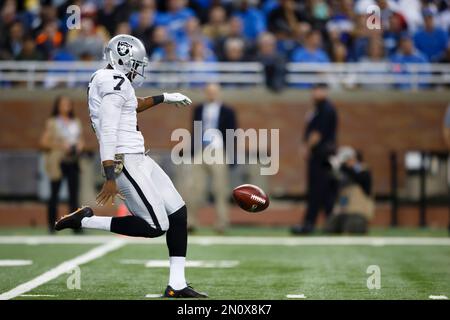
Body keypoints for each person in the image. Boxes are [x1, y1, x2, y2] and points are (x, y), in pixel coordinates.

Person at [54, 34, 207, 298]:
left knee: (178, 214)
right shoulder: (111, 80)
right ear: (121, 58)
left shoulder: (114, 80)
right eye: (135, 62)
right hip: (124, 159)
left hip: (139, 156)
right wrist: (110, 174)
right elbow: (109, 130)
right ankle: (86, 220)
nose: (138, 68)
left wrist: (164, 97)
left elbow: (133, 105)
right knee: (155, 226)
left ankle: (177, 284)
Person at [184, 83, 237, 234]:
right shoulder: (199, 109)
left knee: (220, 188)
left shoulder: (227, 111)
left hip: (218, 150)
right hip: (201, 149)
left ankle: (222, 222)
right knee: (194, 187)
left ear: (219, 93)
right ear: (205, 93)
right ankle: (191, 221)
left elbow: (233, 132)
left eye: (214, 92)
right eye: (209, 92)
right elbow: (194, 128)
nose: (211, 94)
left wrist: (231, 154)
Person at [292, 83, 337, 235]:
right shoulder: (318, 108)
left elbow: (317, 133)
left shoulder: (325, 109)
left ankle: (309, 223)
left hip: (320, 154)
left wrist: (307, 147)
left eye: (319, 90)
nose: (315, 93)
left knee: (317, 190)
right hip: (321, 155)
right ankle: (329, 223)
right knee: (324, 191)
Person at [40, 95, 84, 234]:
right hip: (58, 162)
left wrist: (80, 146)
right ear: (58, 106)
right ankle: (52, 225)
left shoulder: (75, 121)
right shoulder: (53, 122)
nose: (66, 106)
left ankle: (75, 226)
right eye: (63, 104)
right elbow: (44, 142)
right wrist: (61, 145)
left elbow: (80, 139)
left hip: (73, 161)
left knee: (74, 195)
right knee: (54, 194)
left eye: (68, 103)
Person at [325, 147, 374, 234]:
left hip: (359, 211)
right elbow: (344, 194)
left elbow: (359, 177)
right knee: (330, 227)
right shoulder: (345, 175)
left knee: (352, 227)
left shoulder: (362, 170)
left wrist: (343, 167)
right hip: (346, 210)